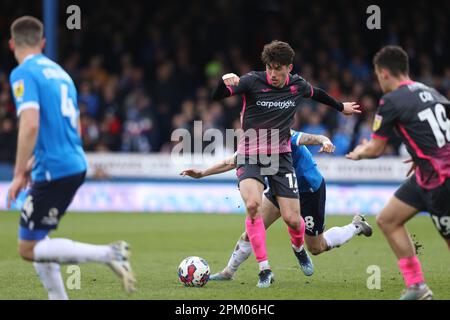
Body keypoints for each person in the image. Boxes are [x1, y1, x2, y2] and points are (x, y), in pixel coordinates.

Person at [211, 40, 361, 287]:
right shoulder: (251, 81)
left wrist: (340, 107)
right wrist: (224, 82)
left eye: (277, 69)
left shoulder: (297, 86)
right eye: (269, 68)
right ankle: (250, 270)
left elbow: (317, 94)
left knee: (299, 227)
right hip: (252, 156)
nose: (272, 74)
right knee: (252, 206)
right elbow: (219, 96)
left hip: (288, 166)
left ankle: (301, 246)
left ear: (288, 68)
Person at [6, 16, 136, 300]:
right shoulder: (61, 74)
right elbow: (70, 127)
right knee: (38, 237)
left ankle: (108, 253)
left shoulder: (23, 73)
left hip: (55, 168)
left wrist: (18, 173)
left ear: (12, 44)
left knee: (27, 248)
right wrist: (31, 163)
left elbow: (30, 124)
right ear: (42, 43)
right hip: (72, 163)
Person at [181, 130, 372, 281]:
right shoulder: (254, 140)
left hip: (308, 190)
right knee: (252, 228)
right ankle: (228, 272)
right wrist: (202, 173)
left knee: (316, 247)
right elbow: (231, 161)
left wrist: (324, 141)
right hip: (280, 189)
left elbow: (312, 138)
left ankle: (355, 226)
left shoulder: (283, 133)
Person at [346, 45, 450, 300]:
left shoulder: (390, 100)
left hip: (441, 180)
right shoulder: (433, 92)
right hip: (426, 173)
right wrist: (421, 156)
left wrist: (360, 152)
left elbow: (376, 149)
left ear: (383, 73)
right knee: (388, 219)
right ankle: (417, 285)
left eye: (376, 75)